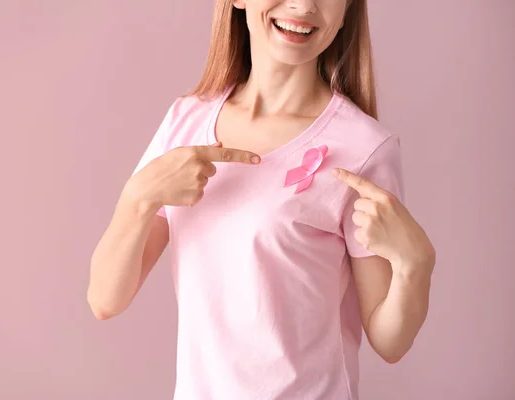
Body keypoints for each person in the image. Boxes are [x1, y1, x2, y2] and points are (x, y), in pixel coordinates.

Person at [87, 0, 436, 398]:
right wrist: (138, 197)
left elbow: (390, 342)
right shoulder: (186, 121)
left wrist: (416, 265)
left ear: (346, 11)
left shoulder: (364, 148)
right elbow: (105, 299)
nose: (304, 5)